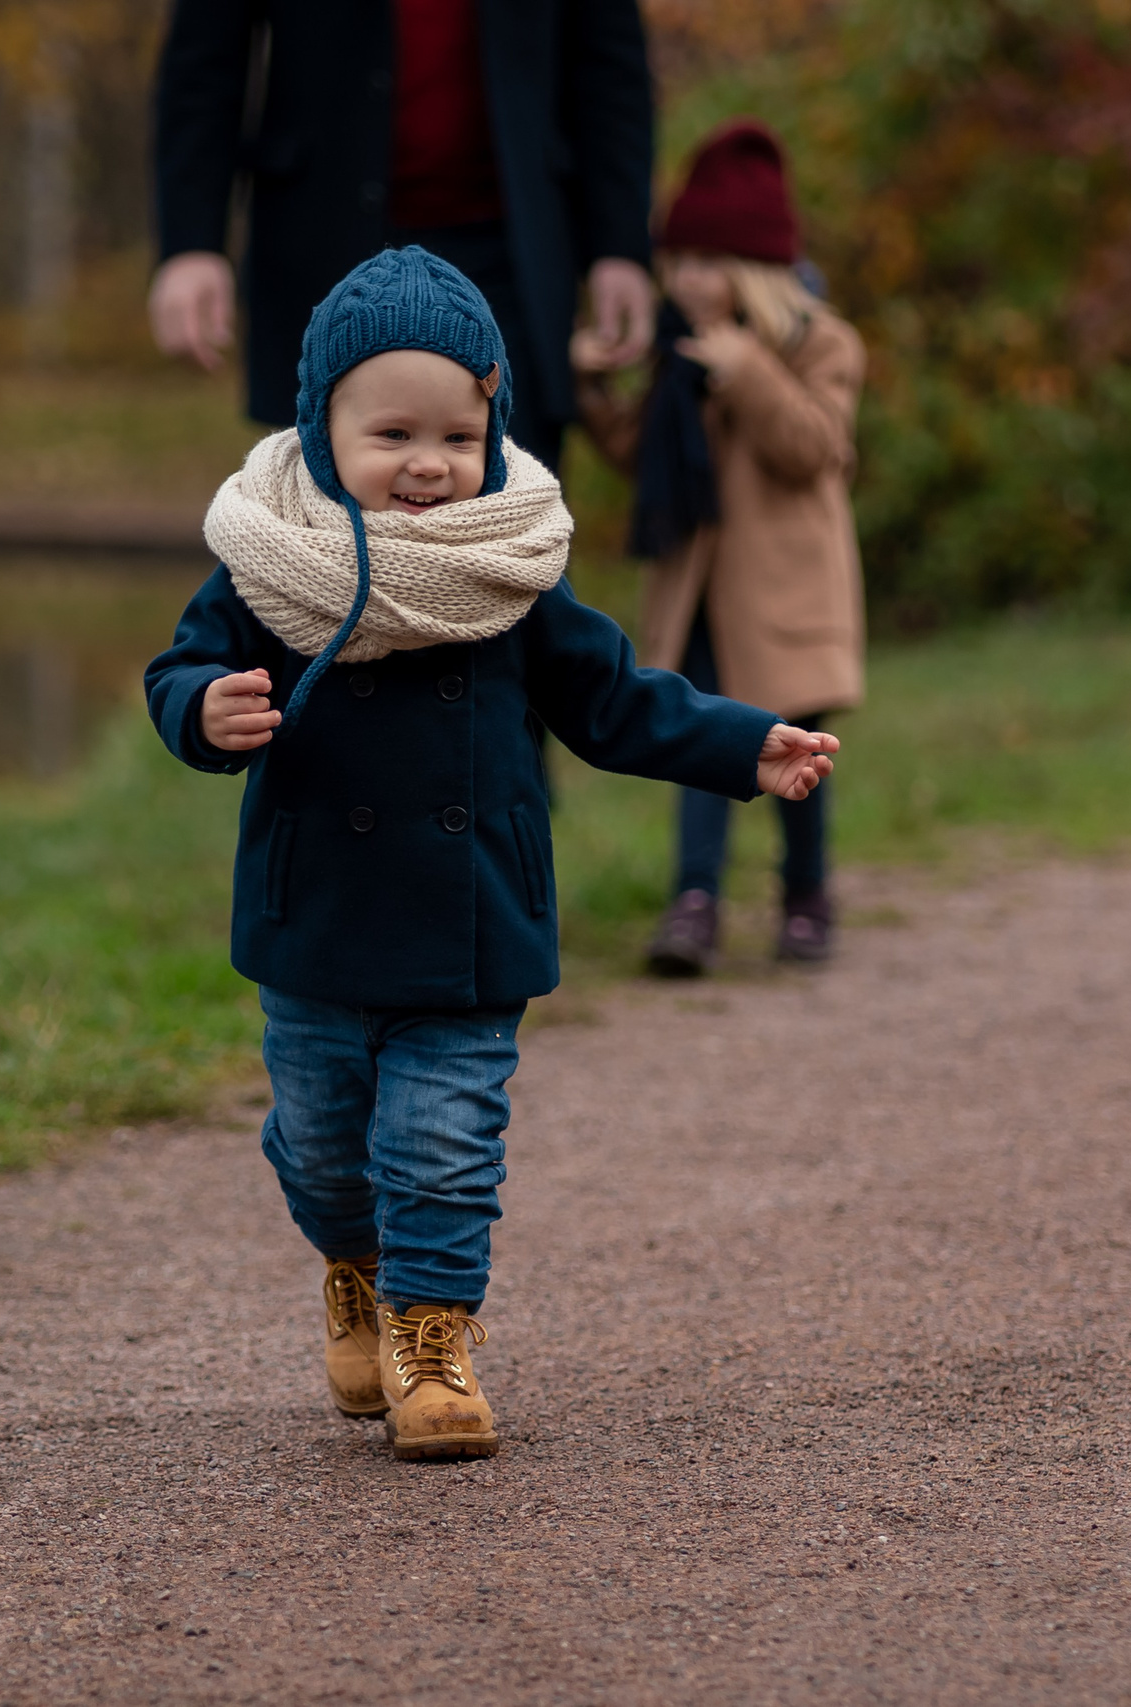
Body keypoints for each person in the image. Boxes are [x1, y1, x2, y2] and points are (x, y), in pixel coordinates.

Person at [144, 248, 839, 1459]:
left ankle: (432, 1334)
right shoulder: (270, 564)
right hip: (316, 923)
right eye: (390, 432)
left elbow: (618, 700)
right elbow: (177, 670)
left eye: (457, 435)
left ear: (494, 427)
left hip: (470, 922)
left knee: (442, 1144)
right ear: (318, 432)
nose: (427, 463)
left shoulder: (511, 572)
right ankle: (352, 1269)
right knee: (322, 1148)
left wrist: (743, 745)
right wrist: (203, 710)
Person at [570, 122, 868, 973]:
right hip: (697, 585)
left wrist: (750, 373)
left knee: (796, 743)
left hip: (783, 590)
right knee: (704, 737)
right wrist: (593, 385)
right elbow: (639, 459)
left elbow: (817, 448)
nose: (688, 279)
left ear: (753, 267)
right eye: (681, 259)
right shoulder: (678, 350)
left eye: (708, 261)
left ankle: (806, 894)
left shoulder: (822, 342)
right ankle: (693, 902)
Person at [148, 0, 661, 464]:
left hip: (510, 259)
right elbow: (203, 65)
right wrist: (191, 243)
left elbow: (609, 68)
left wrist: (618, 246)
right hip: (325, 246)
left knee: (506, 504)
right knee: (318, 510)